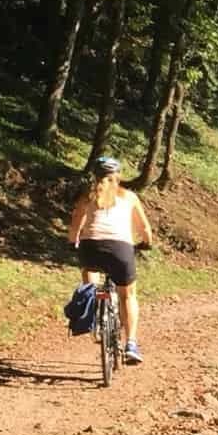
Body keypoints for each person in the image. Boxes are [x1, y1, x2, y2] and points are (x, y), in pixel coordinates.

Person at [67, 156, 154, 363]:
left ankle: (95, 311)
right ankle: (131, 343)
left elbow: (75, 227)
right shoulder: (129, 197)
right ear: (118, 176)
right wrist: (147, 243)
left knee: (90, 275)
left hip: (91, 248)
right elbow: (145, 229)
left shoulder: (86, 197)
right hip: (120, 250)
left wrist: (73, 243)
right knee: (128, 295)